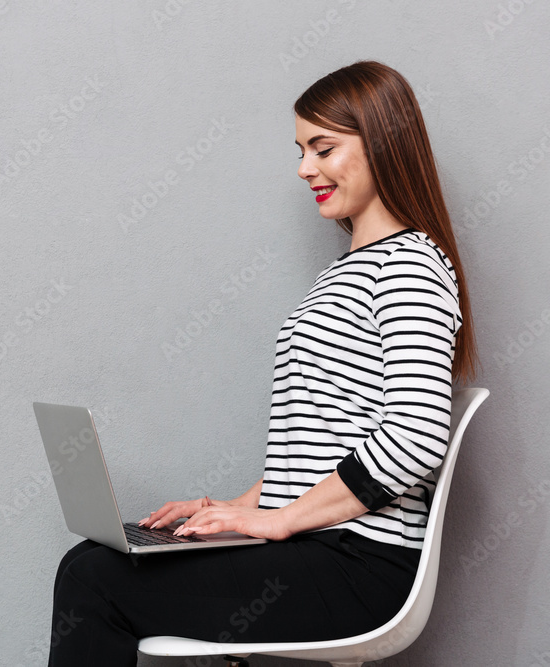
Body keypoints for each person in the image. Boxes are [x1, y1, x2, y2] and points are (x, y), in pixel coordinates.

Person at [46, 60, 479, 666]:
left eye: (324, 148)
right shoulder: (352, 270)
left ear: (384, 141)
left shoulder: (406, 268)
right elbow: (321, 446)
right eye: (302, 150)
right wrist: (238, 507)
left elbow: (414, 436)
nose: (306, 169)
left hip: (359, 568)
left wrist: (277, 523)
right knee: (88, 562)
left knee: (94, 581)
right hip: (323, 549)